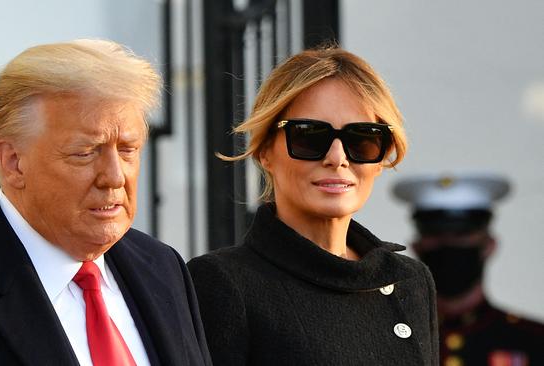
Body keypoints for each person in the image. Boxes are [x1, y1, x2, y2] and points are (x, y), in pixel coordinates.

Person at [0, 39, 211, 366]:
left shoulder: (162, 267)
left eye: (128, 149)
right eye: (85, 153)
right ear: (14, 161)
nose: (115, 177)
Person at [187, 46, 438, 365]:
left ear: (381, 157)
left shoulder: (409, 280)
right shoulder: (223, 282)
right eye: (309, 137)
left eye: (362, 139)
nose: (337, 158)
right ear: (265, 151)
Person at [393, 173, 544, 366]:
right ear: (417, 246)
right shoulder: (391, 337)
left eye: (461, 233)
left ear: (489, 245)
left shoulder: (533, 341)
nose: (448, 244)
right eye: (435, 234)